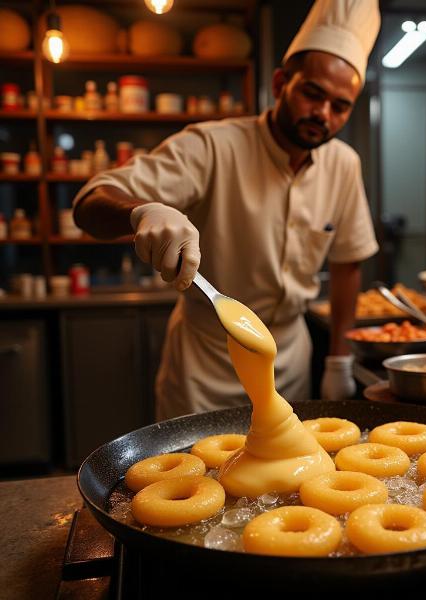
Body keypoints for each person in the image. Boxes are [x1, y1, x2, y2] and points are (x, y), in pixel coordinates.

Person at [73, 0, 381, 420]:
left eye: (340, 106)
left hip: (289, 364)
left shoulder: (343, 164)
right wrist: (142, 210)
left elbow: (348, 265)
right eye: (313, 93)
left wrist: (338, 361)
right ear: (280, 83)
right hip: (207, 368)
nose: (323, 114)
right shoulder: (213, 146)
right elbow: (90, 202)